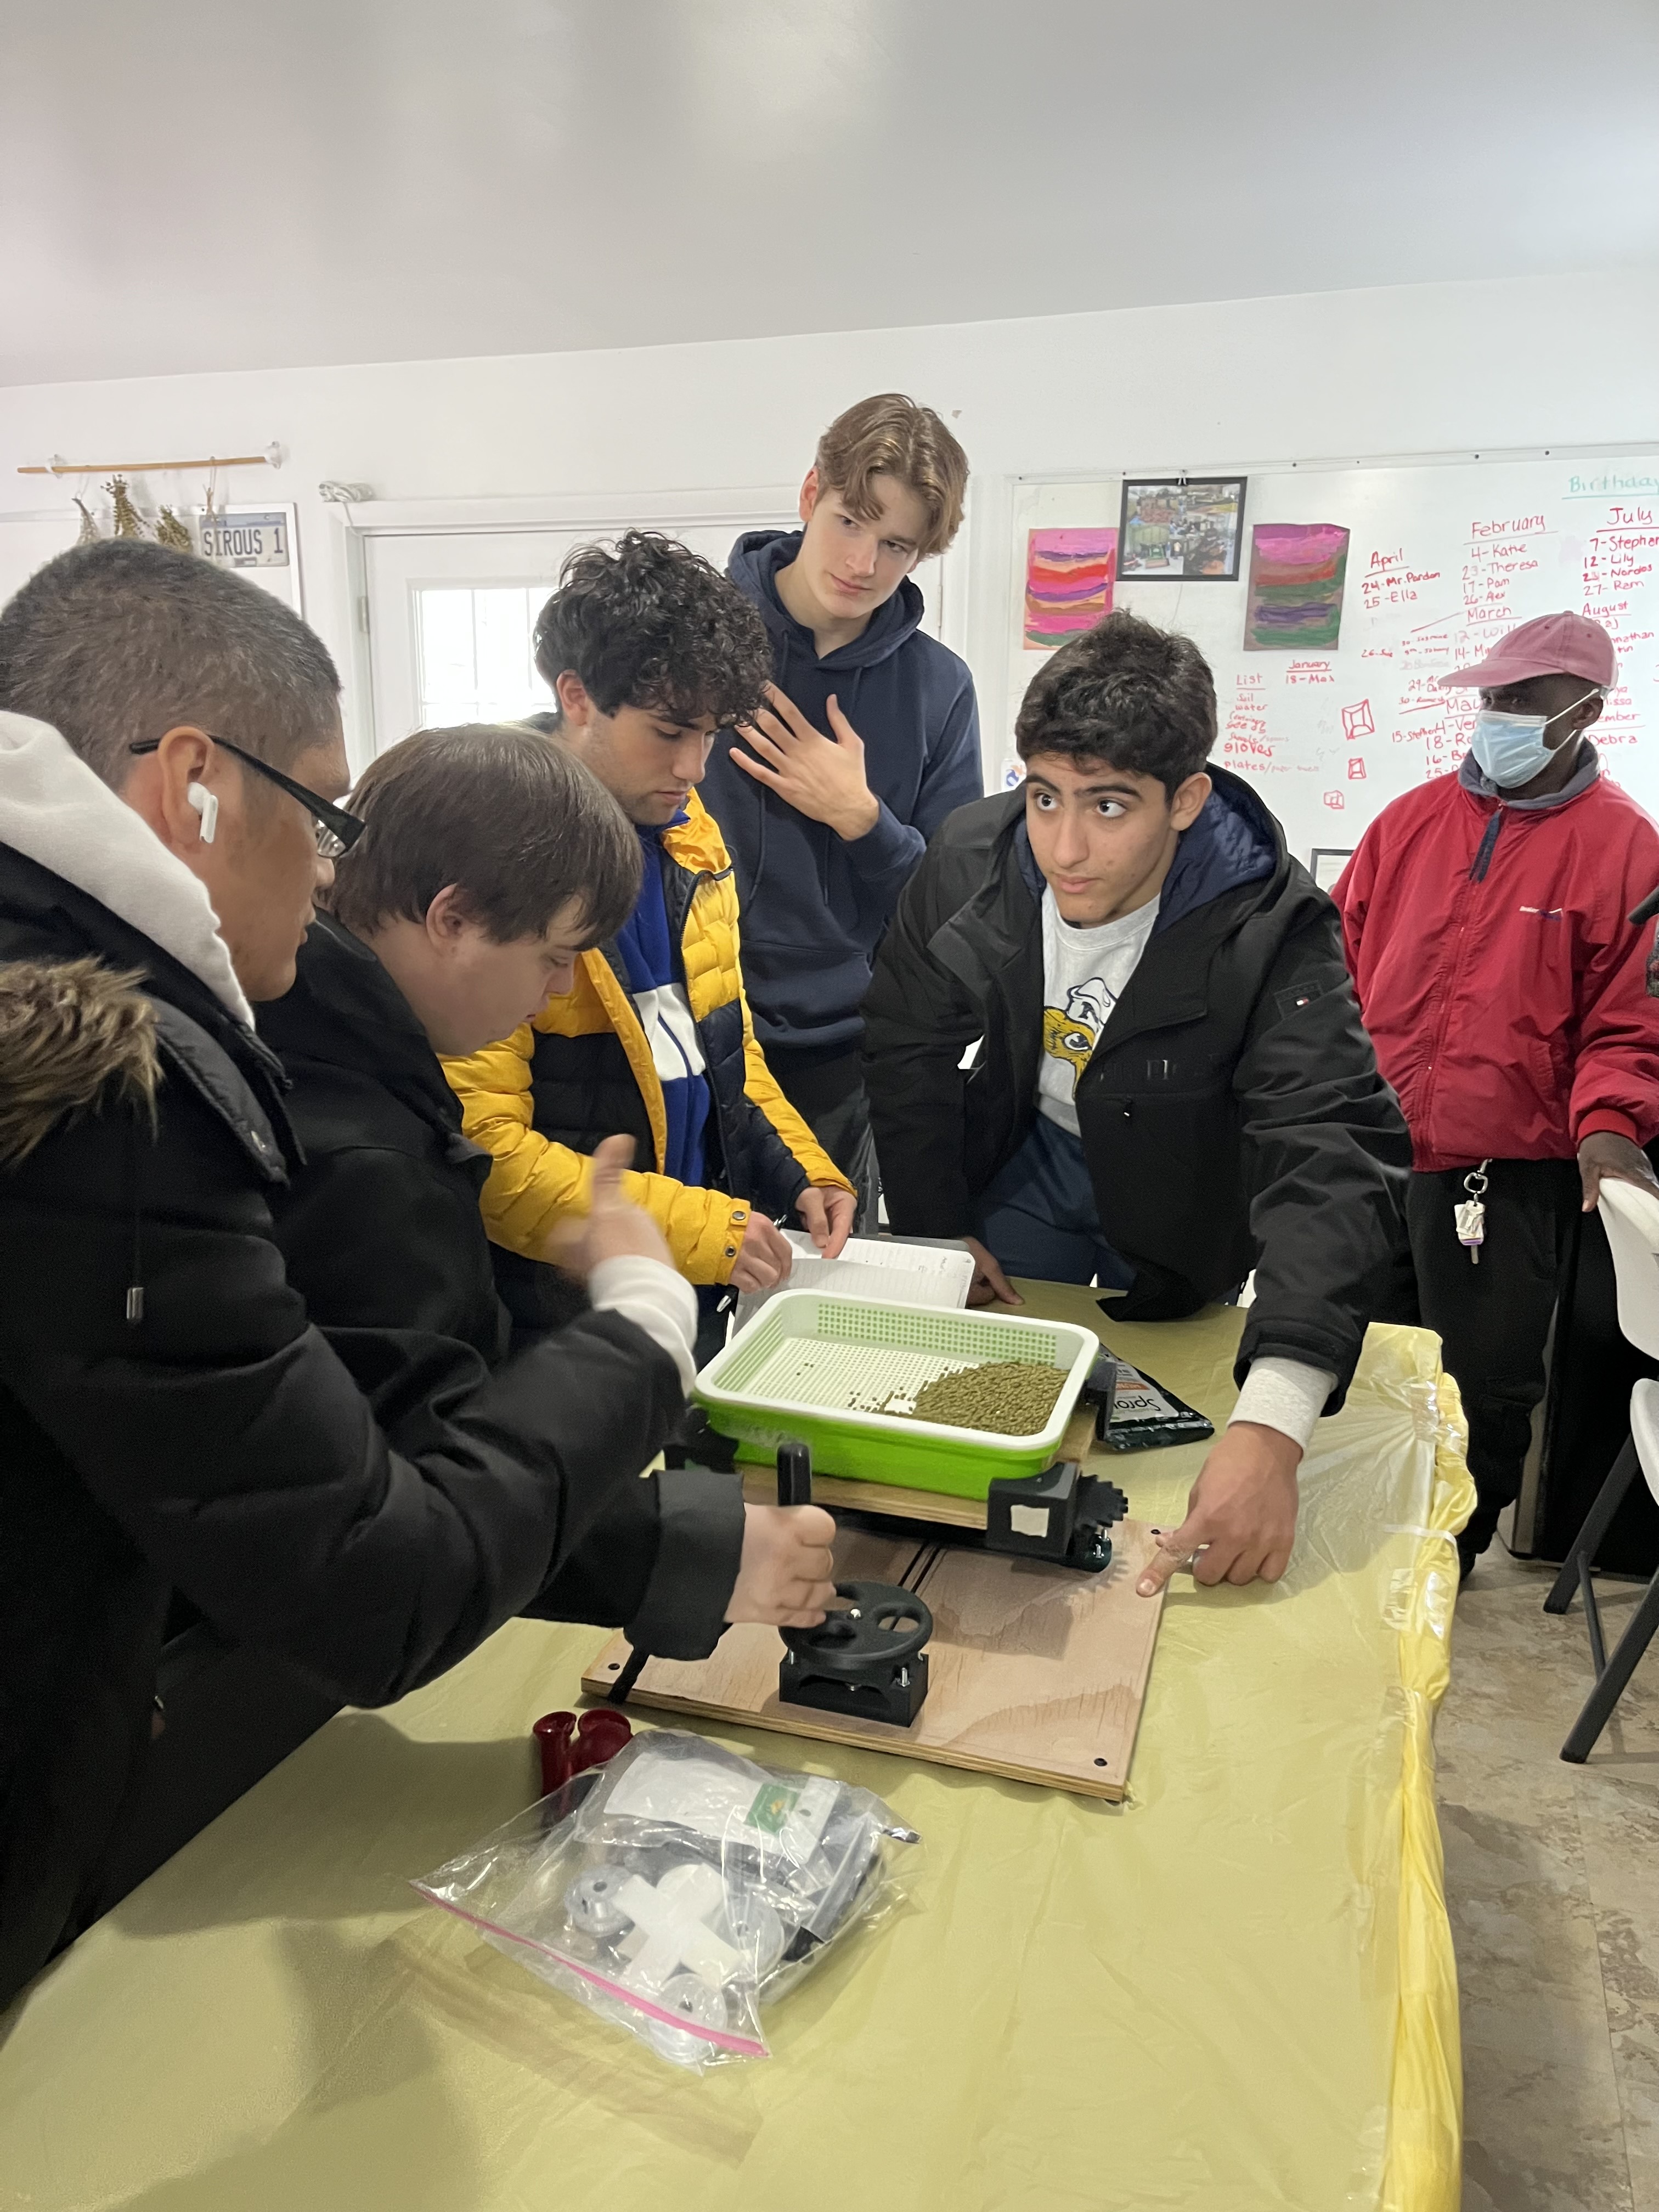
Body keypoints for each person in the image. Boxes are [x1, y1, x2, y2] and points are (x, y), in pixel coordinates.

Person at [0, 541, 832, 2007]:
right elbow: (372, 1569)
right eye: (317, 817)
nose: (329, 869)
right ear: (193, 786)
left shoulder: (196, 1025)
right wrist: (639, 1321)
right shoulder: (124, 1093)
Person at [862, 608, 1410, 1594]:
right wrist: (939, 1228)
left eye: (1109, 807)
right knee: (997, 1418)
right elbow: (908, 1046)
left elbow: (1328, 1147)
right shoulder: (967, 860)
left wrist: (1276, 1427)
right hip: (1028, 1158)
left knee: (1166, 1444)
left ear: (1187, 799)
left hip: (1183, 1190)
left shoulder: (1271, 923)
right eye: (1044, 797)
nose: (1065, 847)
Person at [258, 721, 835, 1653]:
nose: (556, 987)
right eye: (552, 955)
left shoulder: (335, 1043)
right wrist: (643, 1310)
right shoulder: (362, 1155)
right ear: (450, 919)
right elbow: (413, 1519)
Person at [445, 533, 855, 1350]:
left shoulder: (692, 836)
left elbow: (725, 1049)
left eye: (709, 734)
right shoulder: (495, 854)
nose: (696, 766)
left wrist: (802, 1171)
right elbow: (481, 1150)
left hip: (698, 1278)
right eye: (670, 732)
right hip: (556, 1311)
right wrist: (702, 1229)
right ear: (577, 696)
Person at [1335, 611, 1659, 1579]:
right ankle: (1346, 1536)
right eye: (1491, 698)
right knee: (1349, 1354)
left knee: (1481, 1386)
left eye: (1523, 699)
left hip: (1504, 1177)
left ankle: (1445, 1558)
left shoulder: (1627, 851)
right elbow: (1334, 973)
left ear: (1585, 710)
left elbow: (1628, 1026)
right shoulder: (1410, 820)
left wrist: (1608, 1128)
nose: (1498, 715)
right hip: (1369, 1149)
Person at [697, 394, 983, 1223]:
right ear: (810, 493)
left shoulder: (939, 687)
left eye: (897, 544)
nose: (864, 561)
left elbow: (952, 911)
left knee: (814, 1298)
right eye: (851, 521)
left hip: (841, 1055)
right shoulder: (698, 641)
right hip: (691, 1032)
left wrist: (861, 818)